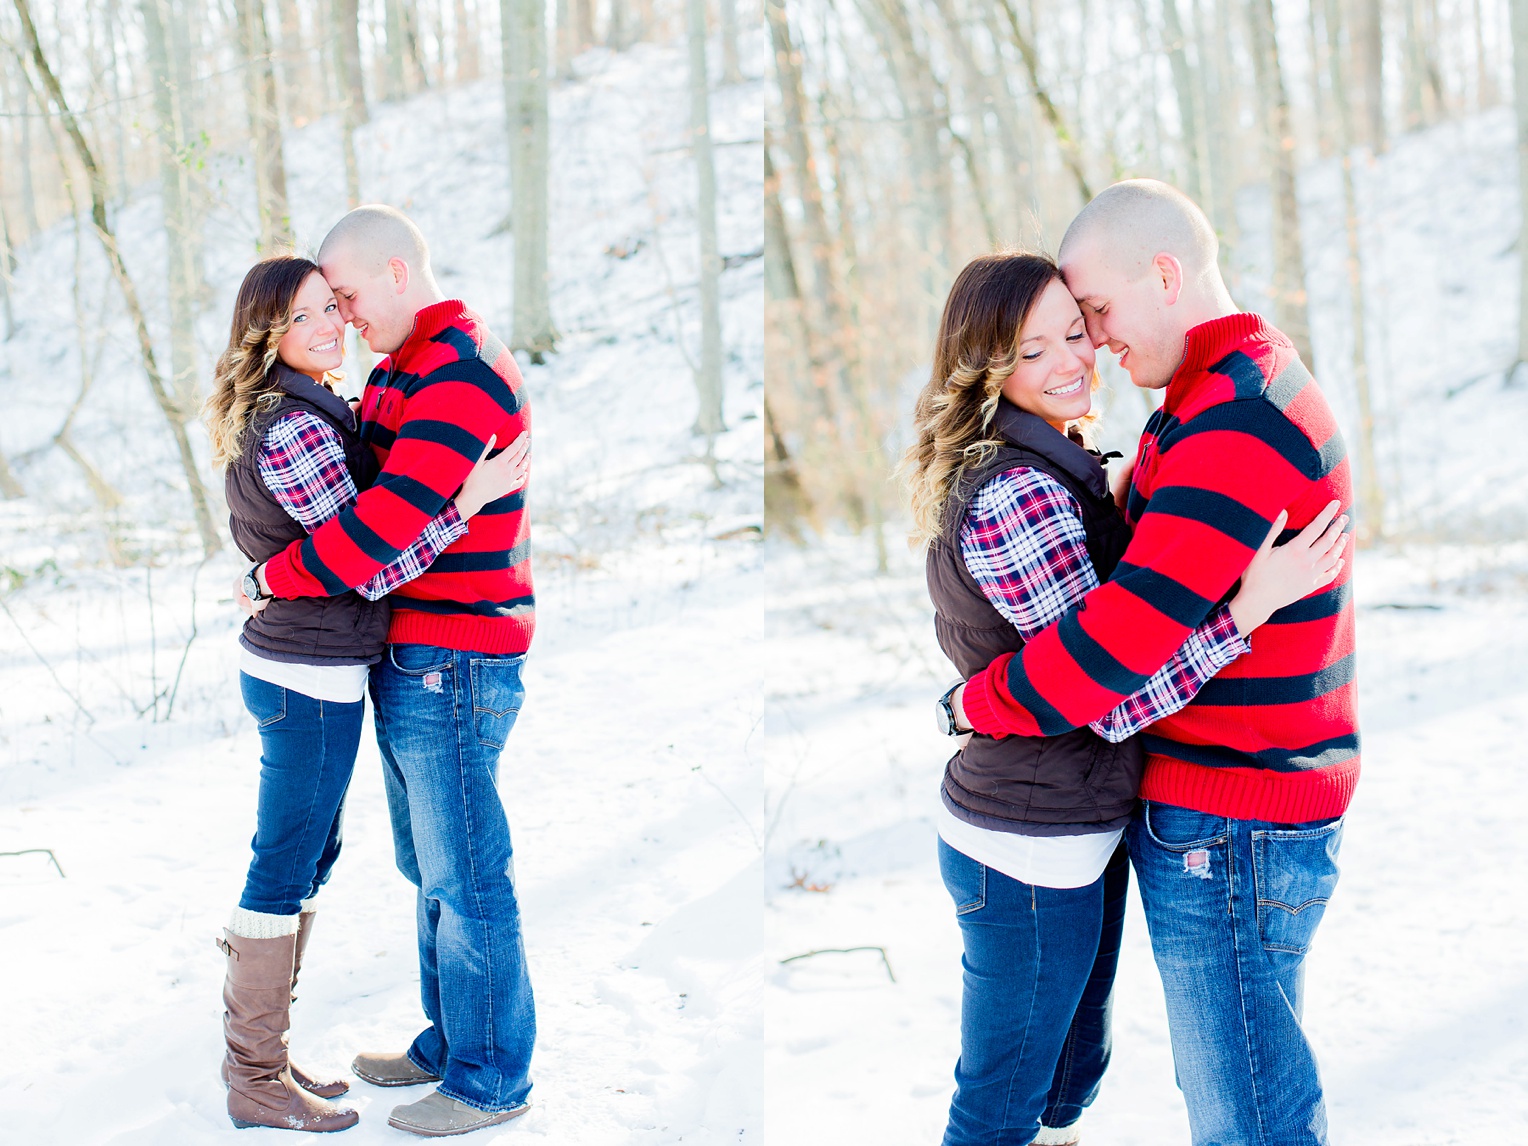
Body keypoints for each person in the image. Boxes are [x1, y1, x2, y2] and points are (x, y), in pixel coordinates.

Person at [906, 250, 1347, 1146]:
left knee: (1065, 1083)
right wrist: (1247, 609)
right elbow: (1106, 699)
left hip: (1075, 825)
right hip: (1027, 841)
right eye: (1034, 352)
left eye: (1077, 331)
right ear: (986, 368)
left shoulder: (1059, 459)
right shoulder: (1015, 495)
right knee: (1002, 1103)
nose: (1075, 358)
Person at [206, 254, 528, 1133]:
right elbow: (371, 562)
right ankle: (255, 1073)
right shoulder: (298, 422)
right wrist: (464, 503)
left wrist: (275, 575)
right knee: (290, 862)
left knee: (328, 860)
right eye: (309, 315)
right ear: (268, 335)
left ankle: (283, 1063)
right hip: (307, 674)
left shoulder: (339, 396)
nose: (331, 325)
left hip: (327, 667)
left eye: (333, 306)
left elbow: (358, 541)